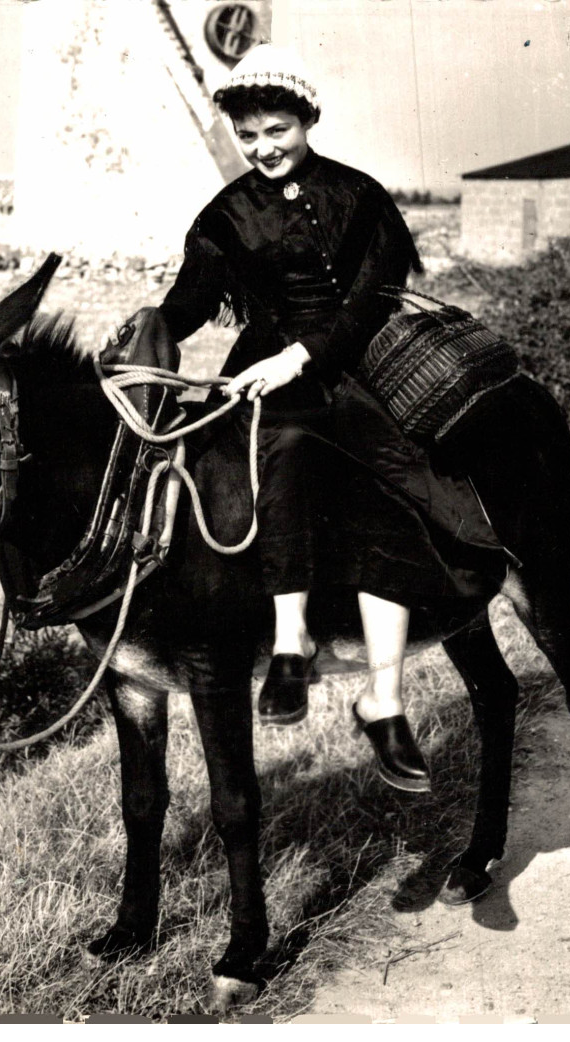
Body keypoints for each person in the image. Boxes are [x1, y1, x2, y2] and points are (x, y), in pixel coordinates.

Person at [113, 44, 439, 792]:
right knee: (282, 445)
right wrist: (147, 330)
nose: (262, 149)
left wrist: (302, 355)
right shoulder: (226, 216)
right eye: (248, 136)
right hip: (266, 375)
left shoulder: (361, 196)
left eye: (276, 130)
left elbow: (370, 303)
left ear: (307, 120)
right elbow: (189, 303)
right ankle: (287, 643)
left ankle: (384, 700)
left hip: (359, 362)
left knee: (386, 485)